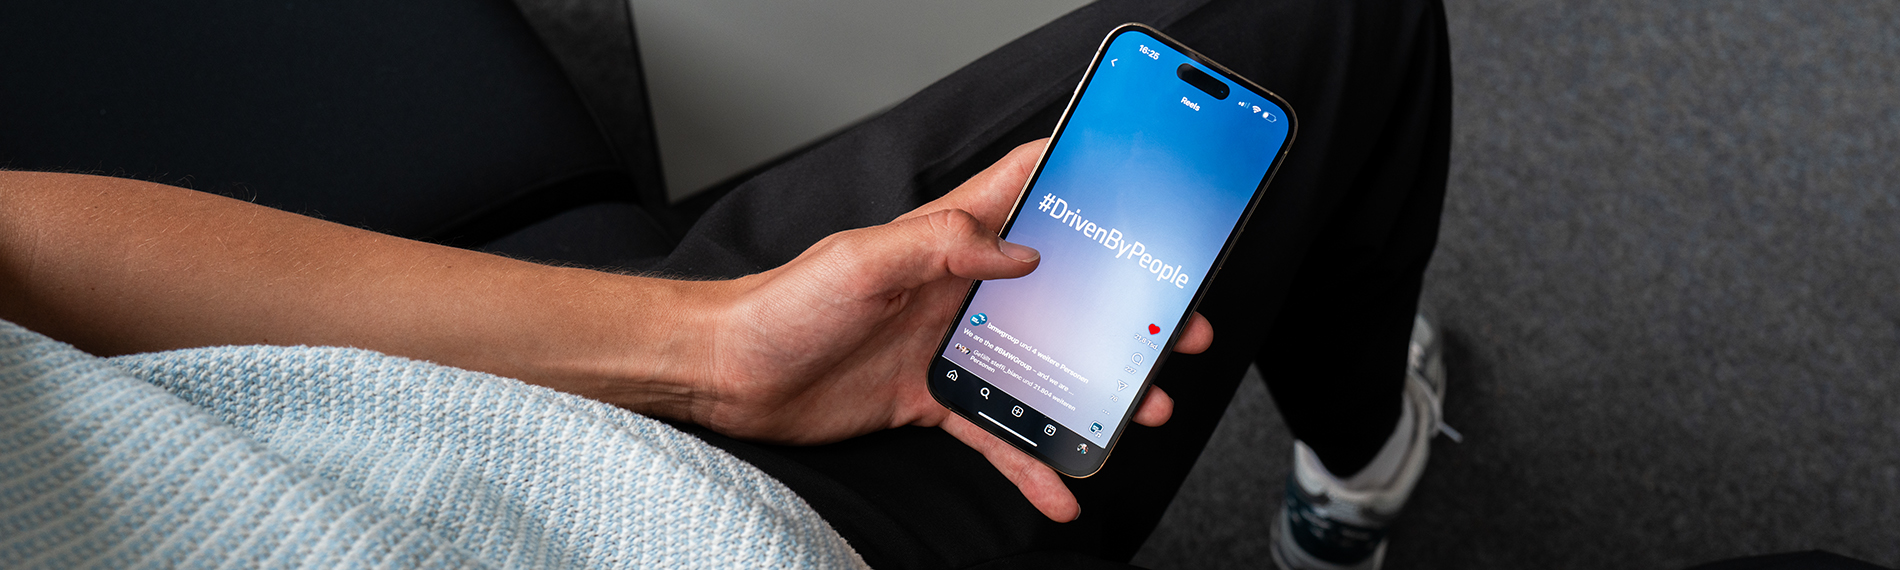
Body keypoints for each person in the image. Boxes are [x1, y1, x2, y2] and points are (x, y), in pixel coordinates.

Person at [0, 0, 1463, 568]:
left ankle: (1355, 484)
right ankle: (1359, 480)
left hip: (462, 407)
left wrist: (710, 346)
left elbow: (23, 247)